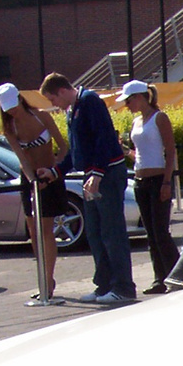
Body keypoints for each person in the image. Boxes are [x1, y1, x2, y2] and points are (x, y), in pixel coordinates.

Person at [39, 72, 136, 304]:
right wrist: (55, 172)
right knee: (94, 232)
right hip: (92, 175)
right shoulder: (72, 110)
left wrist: (98, 173)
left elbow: (104, 138)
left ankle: (123, 287)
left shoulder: (90, 101)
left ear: (62, 91)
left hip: (108, 174)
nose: (54, 105)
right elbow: (77, 150)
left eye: (53, 99)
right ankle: (103, 285)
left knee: (112, 231)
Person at [0, 82, 68, 299]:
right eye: (7, 108)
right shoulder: (10, 128)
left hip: (50, 174)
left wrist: (53, 170)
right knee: (33, 230)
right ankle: (43, 277)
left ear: (20, 98)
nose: (12, 111)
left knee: (46, 229)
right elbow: (22, 159)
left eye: (14, 105)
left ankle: (48, 281)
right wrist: (33, 180)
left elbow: (63, 147)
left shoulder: (42, 117)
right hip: (30, 178)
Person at [119, 79, 178, 294]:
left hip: (157, 178)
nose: (128, 106)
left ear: (140, 97)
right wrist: (126, 152)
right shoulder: (136, 122)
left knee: (161, 231)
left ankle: (175, 273)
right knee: (151, 233)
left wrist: (166, 181)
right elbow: (141, 152)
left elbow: (170, 150)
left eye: (129, 101)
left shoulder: (159, 118)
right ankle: (159, 277)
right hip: (141, 180)